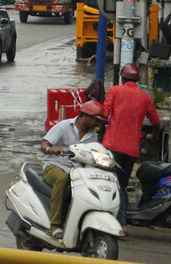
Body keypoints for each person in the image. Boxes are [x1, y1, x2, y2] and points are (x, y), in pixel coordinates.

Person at [103, 63, 162, 233]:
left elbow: (104, 113)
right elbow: (155, 122)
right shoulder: (145, 98)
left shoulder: (115, 91)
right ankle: (121, 221)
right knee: (122, 183)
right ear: (137, 79)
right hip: (131, 150)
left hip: (111, 146)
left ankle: (120, 223)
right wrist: (153, 136)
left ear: (122, 77)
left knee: (112, 184)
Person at [40, 100, 108, 239]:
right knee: (62, 179)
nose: (98, 124)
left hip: (78, 170)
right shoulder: (64, 126)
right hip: (55, 165)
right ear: (86, 117)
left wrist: (109, 160)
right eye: (96, 120)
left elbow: (96, 154)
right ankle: (54, 225)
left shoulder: (93, 136)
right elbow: (44, 144)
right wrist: (51, 149)